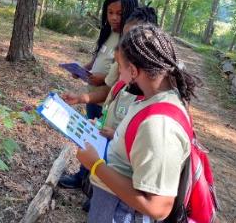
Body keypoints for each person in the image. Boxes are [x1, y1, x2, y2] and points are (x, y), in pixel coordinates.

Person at [76, 24, 200, 222]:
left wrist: (95, 165)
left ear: (133, 70)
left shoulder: (160, 127)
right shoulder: (156, 98)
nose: (119, 77)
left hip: (122, 213)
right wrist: (116, 136)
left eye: (119, 67)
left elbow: (157, 207)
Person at [59, 6, 158, 211]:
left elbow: (155, 203)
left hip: (124, 186)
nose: (127, 44)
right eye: (126, 36)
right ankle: (93, 192)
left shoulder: (153, 101)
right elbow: (111, 90)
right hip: (108, 154)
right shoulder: (125, 70)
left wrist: (118, 134)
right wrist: (82, 99)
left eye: (134, 38)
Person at [58, 0, 138, 192]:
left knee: (105, 146)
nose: (114, 17)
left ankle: (95, 188)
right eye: (110, 12)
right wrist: (84, 69)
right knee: (90, 139)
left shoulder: (129, 40)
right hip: (92, 95)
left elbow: (118, 76)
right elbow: (99, 57)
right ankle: (82, 178)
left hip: (108, 101)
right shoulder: (108, 32)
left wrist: (100, 79)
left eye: (119, 13)